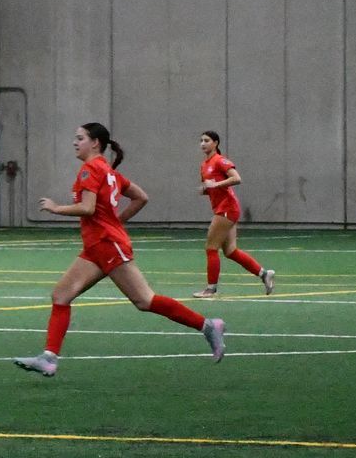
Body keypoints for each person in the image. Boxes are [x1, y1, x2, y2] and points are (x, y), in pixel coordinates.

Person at [15, 122, 224, 378]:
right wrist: (117, 221)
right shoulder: (108, 170)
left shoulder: (91, 169)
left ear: (95, 143)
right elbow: (141, 197)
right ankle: (49, 358)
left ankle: (208, 325)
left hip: (107, 244)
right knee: (61, 295)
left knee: (145, 300)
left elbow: (88, 208)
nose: (75, 142)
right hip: (97, 246)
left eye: (80, 138)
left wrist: (56, 208)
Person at [193, 131, 273, 299]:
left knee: (211, 248)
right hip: (222, 208)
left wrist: (215, 185)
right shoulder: (204, 165)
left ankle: (211, 289)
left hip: (227, 208)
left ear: (216, 143)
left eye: (207, 140)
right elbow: (213, 187)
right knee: (230, 251)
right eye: (201, 141)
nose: (203, 143)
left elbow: (236, 178)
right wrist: (206, 189)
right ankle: (264, 274)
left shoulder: (220, 160)